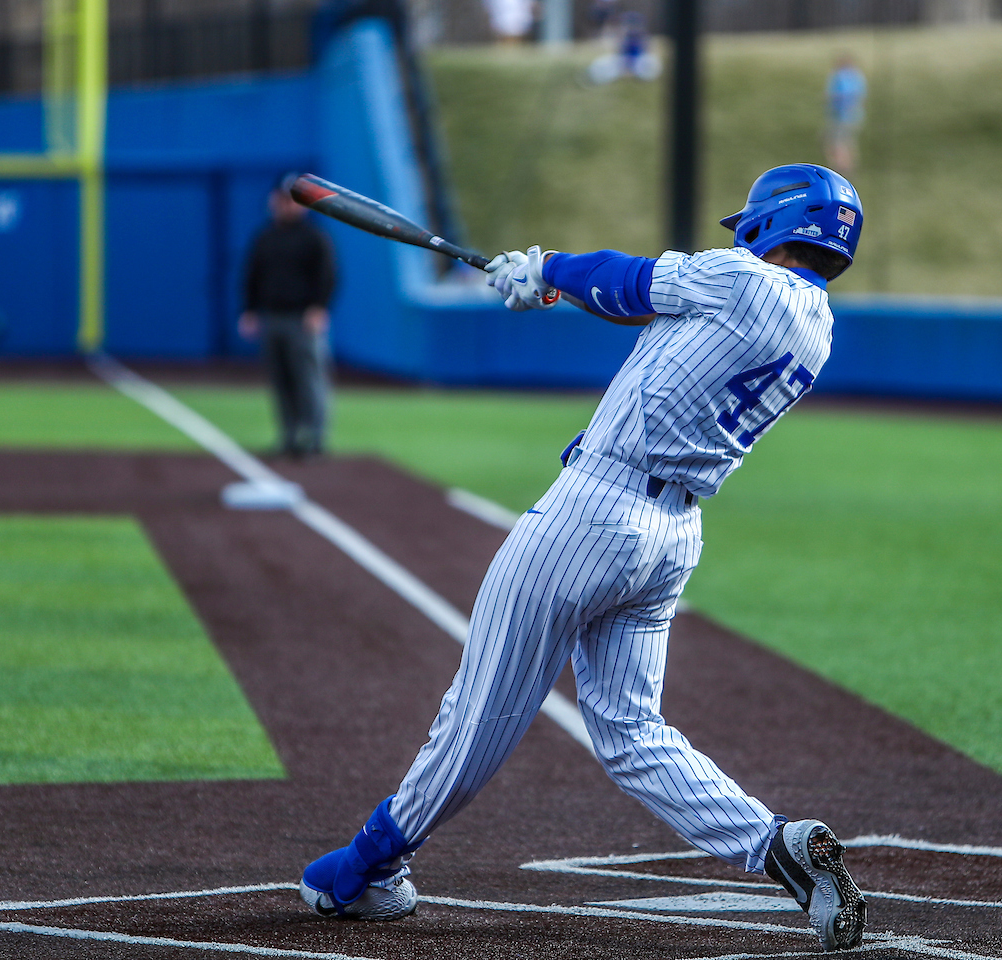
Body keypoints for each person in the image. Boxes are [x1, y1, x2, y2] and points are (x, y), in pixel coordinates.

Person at [297, 164, 869, 952]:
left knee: (480, 710)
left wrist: (547, 267)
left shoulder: (739, 278)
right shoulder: (816, 325)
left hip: (591, 516)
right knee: (634, 732)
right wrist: (553, 286)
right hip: (671, 537)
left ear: (773, 224)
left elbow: (628, 280)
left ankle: (368, 866)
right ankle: (781, 848)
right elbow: (657, 319)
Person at [240, 176, 337, 458]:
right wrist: (249, 310)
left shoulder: (314, 237)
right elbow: (252, 275)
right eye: (281, 199)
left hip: (301, 318)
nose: (284, 205)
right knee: (280, 381)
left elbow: (328, 276)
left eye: (290, 200)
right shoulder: (265, 236)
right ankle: (289, 436)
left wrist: (319, 307)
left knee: (309, 379)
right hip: (272, 316)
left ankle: (316, 438)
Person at [824, 55, 867, 175]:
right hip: (855, 116)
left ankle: (840, 168)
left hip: (840, 116)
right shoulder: (857, 77)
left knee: (837, 143)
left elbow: (835, 96)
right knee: (848, 142)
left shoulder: (840, 77)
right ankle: (849, 167)